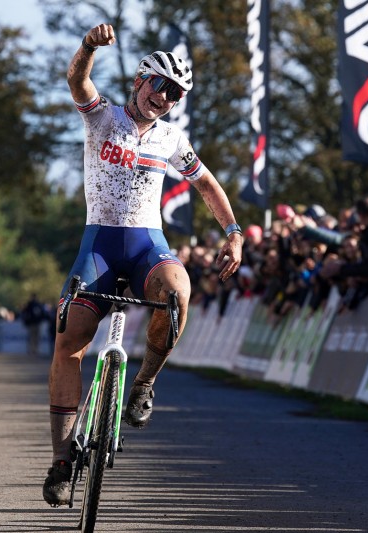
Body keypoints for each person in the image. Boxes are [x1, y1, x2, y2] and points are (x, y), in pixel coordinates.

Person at [42, 23, 244, 507]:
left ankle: (144, 384)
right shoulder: (102, 118)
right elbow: (76, 83)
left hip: (147, 246)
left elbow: (209, 186)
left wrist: (234, 232)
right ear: (140, 80)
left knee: (178, 291)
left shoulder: (172, 138)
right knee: (69, 339)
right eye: (162, 86)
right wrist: (89, 46)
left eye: (177, 94)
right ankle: (63, 461)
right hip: (100, 247)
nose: (167, 97)